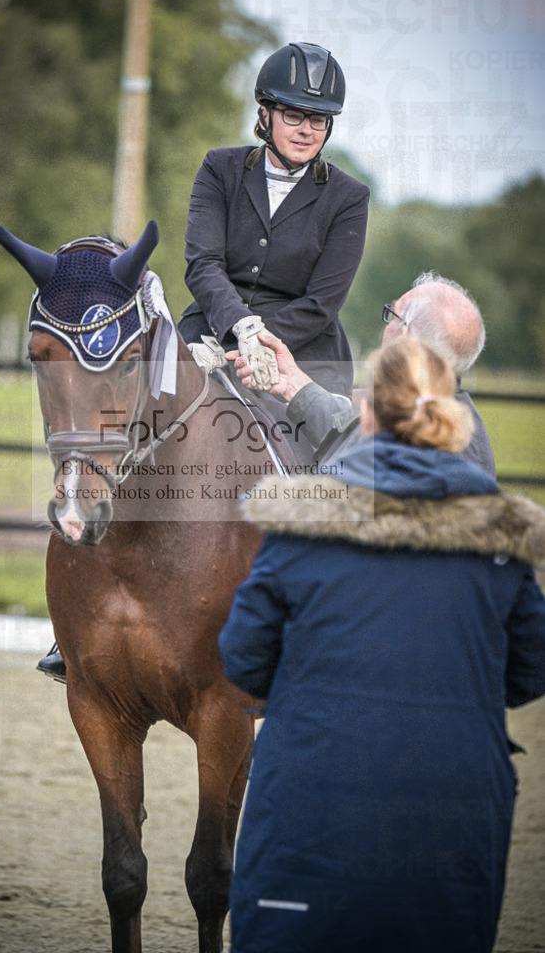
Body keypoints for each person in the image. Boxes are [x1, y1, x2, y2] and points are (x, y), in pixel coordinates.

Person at [219, 336, 545, 953]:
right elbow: (530, 671)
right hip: (452, 824)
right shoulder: (502, 539)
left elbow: (243, 657)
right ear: (454, 416)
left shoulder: (301, 522)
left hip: (310, 818)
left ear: (366, 413)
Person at [179, 41, 370, 398]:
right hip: (209, 333)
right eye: (294, 114)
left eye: (318, 119)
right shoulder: (219, 169)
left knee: (313, 447)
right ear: (265, 114)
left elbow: (322, 301)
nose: (306, 130)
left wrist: (256, 343)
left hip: (306, 353)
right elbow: (203, 264)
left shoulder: (349, 197)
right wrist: (240, 330)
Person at [230, 272, 496, 477]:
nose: (386, 327)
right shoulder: (443, 416)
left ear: (403, 334)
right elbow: (355, 433)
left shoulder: (422, 436)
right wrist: (293, 385)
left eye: (392, 315)